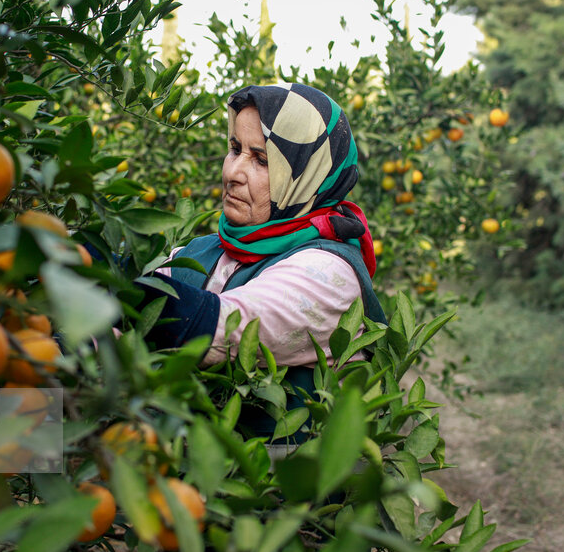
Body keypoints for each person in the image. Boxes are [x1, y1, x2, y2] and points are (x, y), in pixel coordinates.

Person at [140, 82, 386, 439]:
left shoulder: (329, 274)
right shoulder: (203, 251)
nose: (232, 173)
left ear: (307, 173)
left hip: (275, 474)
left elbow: (223, 327)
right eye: (234, 149)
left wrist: (101, 277)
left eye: (261, 160)